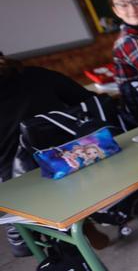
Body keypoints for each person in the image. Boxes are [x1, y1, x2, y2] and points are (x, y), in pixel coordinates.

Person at [1, 54, 93, 257]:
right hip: (80, 168)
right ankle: (86, 227)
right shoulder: (37, 75)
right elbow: (88, 102)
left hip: (24, 192)